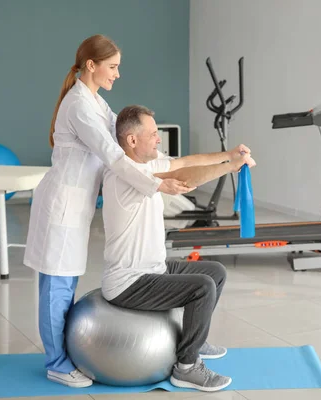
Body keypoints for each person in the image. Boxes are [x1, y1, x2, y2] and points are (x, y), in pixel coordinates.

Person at [23, 34, 196, 388]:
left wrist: (171, 166)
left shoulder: (97, 104)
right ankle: (56, 363)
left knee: (64, 282)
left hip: (75, 207)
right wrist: (158, 184)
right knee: (56, 287)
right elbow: (115, 155)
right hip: (61, 206)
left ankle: (61, 355)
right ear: (92, 65)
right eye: (113, 67)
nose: (117, 74)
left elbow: (128, 139)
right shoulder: (79, 105)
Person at [100, 104, 256, 392]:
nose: (159, 139)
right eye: (153, 134)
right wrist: (231, 168)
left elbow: (186, 162)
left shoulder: (147, 164)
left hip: (153, 268)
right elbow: (185, 179)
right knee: (203, 287)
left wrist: (229, 154)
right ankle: (186, 368)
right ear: (132, 140)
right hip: (129, 281)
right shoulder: (122, 175)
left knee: (216, 272)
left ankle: (194, 339)